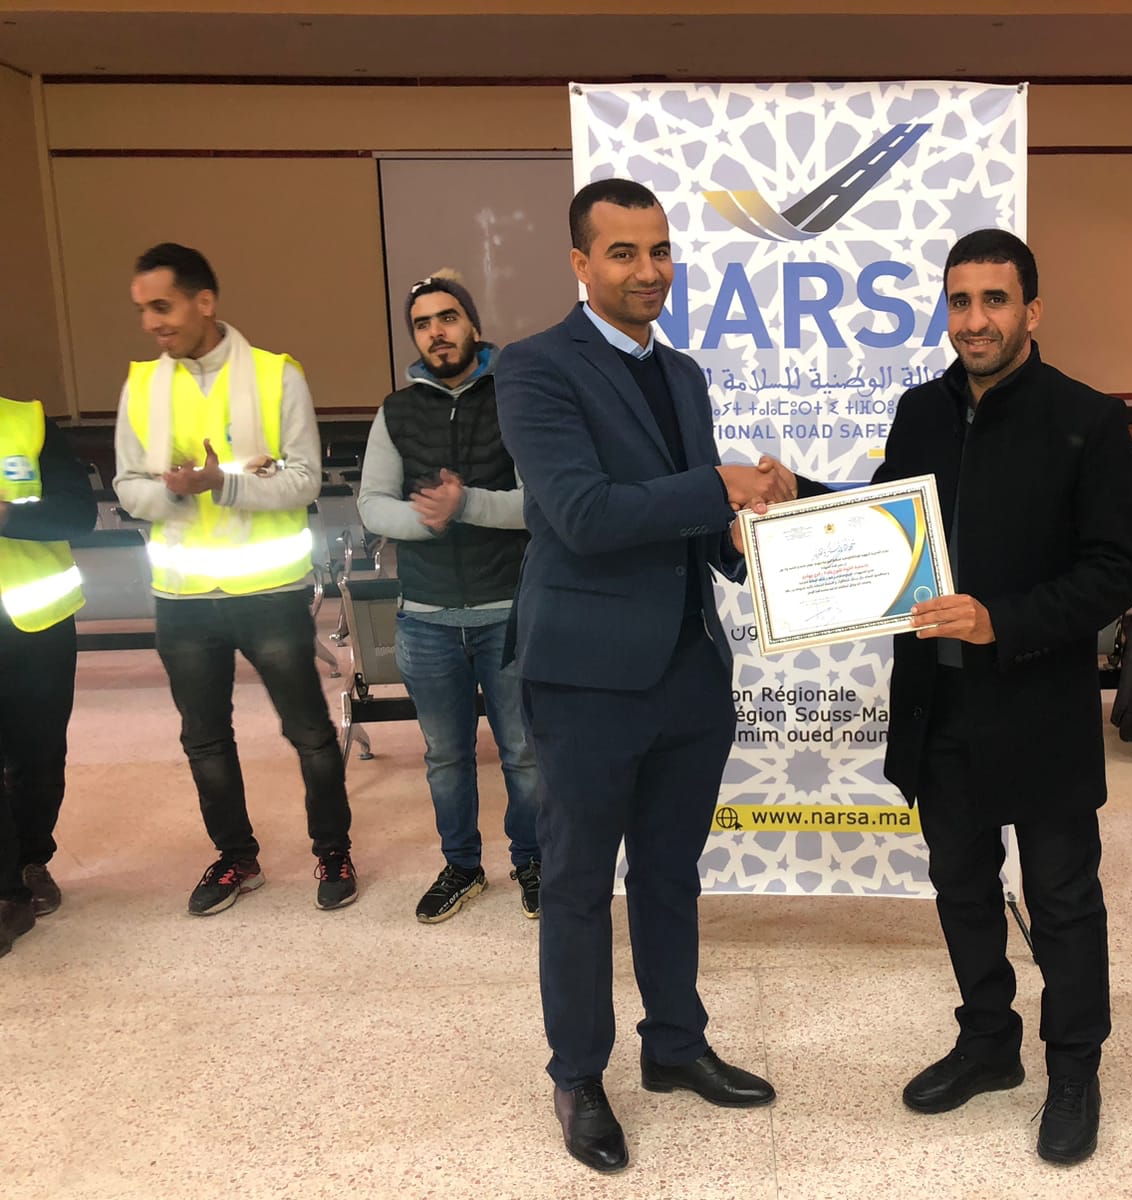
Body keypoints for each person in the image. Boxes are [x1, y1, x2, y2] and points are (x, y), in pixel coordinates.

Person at [495, 179, 790, 1174]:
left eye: (659, 250)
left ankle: (674, 1045)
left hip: (689, 670)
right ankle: (579, 1075)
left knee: (670, 873)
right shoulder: (535, 368)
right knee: (580, 883)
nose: (647, 270)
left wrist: (745, 538)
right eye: (622, 252)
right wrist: (715, 486)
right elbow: (583, 513)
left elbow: (691, 523)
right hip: (585, 676)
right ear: (580, 263)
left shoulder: (685, 374)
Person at [864, 229, 1132, 1165]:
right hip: (937, 704)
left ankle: (1074, 1068)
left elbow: (1116, 571)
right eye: (959, 300)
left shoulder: (1089, 419)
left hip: (1038, 704)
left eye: (994, 299)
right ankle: (989, 1042)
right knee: (960, 886)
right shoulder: (920, 412)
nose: (974, 319)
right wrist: (795, 503)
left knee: (1061, 898)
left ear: (1032, 309)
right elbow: (881, 530)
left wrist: (1003, 621)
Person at [113, 242, 357, 916]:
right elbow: (127, 486)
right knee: (204, 740)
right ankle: (236, 858)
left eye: (162, 306)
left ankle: (333, 849)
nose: (151, 323)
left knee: (310, 733)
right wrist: (174, 492)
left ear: (204, 302)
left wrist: (221, 483)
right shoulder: (142, 385)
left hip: (269, 592)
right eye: (142, 310)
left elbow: (303, 480)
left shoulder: (277, 375)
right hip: (182, 598)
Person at [357, 269, 541, 924]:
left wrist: (466, 505)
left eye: (447, 317)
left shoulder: (516, 398)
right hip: (426, 618)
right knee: (445, 758)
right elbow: (372, 504)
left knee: (525, 754)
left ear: (472, 324)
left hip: (509, 612)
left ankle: (533, 860)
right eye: (422, 324)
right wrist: (426, 519)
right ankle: (462, 866)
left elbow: (538, 501)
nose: (436, 332)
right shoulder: (395, 411)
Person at [0, 394, 95, 956]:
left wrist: (7, 515)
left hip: (36, 621)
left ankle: (32, 859)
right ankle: (6, 887)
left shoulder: (29, 423)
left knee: (39, 756)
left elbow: (77, 513)